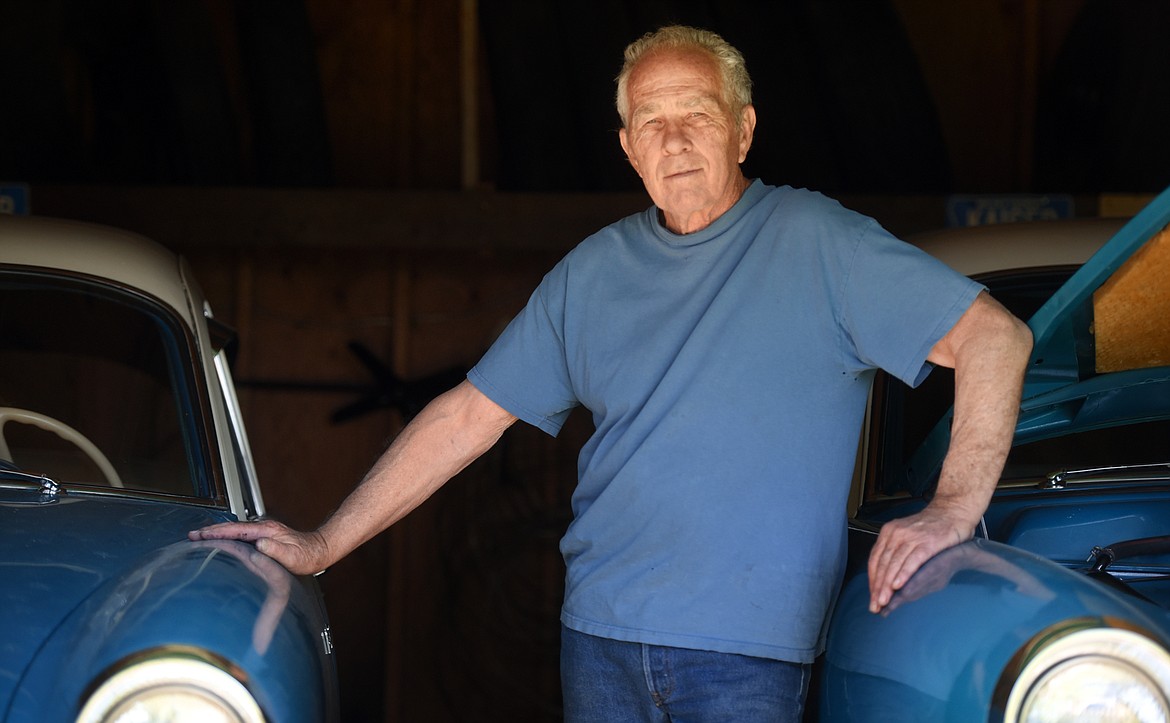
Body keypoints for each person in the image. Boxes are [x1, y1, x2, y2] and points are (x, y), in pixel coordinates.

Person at [191, 25, 1033, 721]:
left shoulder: (822, 242)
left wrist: (954, 507)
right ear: (628, 148)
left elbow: (997, 338)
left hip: (750, 655)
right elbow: (465, 419)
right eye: (652, 122)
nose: (675, 139)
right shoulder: (593, 273)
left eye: (697, 114)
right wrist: (324, 543)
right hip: (597, 639)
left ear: (743, 129)